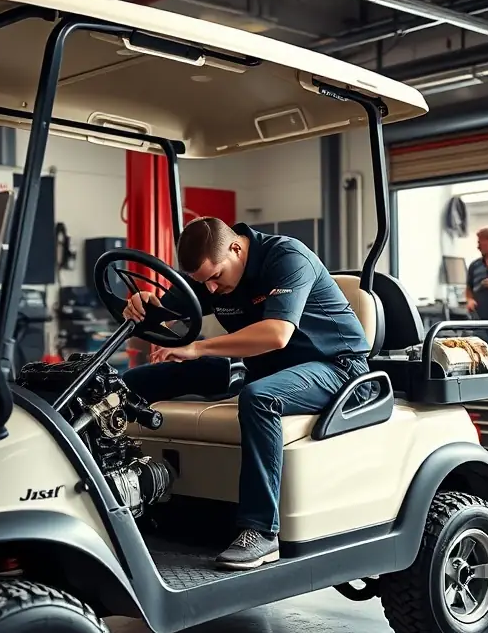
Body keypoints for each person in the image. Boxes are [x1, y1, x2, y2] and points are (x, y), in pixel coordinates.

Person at [121, 218, 371, 570]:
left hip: (337, 369)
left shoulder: (286, 257)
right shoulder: (213, 277)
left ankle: (262, 532)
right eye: (201, 281)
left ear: (236, 249)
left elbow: (277, 334)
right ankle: (123, 502)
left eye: (215, 277)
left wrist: (199, 348)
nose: (208, 289)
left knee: (259, 397)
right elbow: (165, 316)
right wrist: (144, 305)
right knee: (133, 381)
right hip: (264, 369)